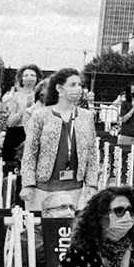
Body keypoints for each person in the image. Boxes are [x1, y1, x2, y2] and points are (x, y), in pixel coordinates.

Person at [20, 68, 102, 217]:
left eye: (80, 85)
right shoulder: (40, 115)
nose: (78, 89)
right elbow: (30, 153)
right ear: (59, 88)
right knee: (40, 232)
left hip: (75, 186)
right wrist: (27, 184)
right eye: (72, 84)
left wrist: (91, 183)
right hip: (42, 187)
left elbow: (91, 153)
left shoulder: (86, 116)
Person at [1, 64, 42, 169]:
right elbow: (10, 122)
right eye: (26, 75)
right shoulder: (13, 97)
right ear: (21, 79)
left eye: (32, 75)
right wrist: (25, 109)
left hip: (35, 134)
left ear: (37, 79)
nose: (29, 78)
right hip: (15, 135)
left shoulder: (42, 97)